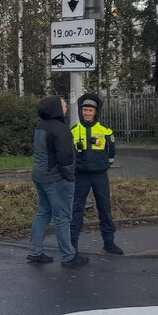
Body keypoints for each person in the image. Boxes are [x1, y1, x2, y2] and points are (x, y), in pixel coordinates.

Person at [27, 96, 85, 267]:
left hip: (40, 176)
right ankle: (68, 255)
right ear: (56, 108)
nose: (66, 106)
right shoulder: (60, 129)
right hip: (57, 179)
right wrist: (71, 177)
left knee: (43, 213)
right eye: (64, 104)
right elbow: (65, 158)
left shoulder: (40, 127)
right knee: (62, 218)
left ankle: (35, 251)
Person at [70, 93, 123, 255]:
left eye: (90, 110)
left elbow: (111, 153)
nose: (87, 113)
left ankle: (109, 243)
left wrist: (105, 165)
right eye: (84, 110)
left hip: (100, 176)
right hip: (81, 176)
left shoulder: (105, 131)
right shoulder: (74, 131)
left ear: (96, 112)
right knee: (76, 209)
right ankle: (72, 245)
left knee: (105, 209)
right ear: (81, 111)